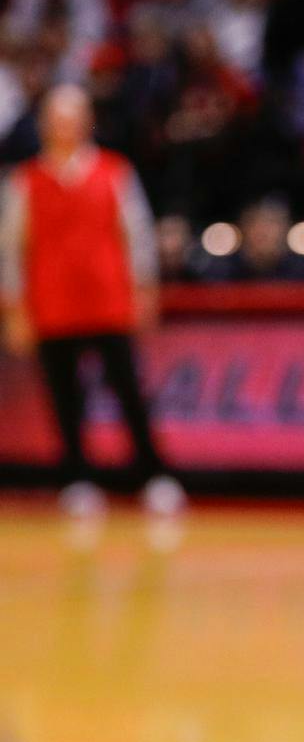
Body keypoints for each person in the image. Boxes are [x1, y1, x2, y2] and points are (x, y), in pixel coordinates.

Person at [0, 86, 181, 518]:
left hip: (108, 300)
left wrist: (144, 289)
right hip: (52, 304)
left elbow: (136, 236)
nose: (65, 126)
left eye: (73, 117)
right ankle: (77, 479)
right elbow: (10, 250)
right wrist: (15, 309)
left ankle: (154, 475)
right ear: (46, 124)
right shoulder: (24, 181)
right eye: (58, 118)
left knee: (129, 392)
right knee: (65, 398)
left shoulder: (115, 172)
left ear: (86, 122)